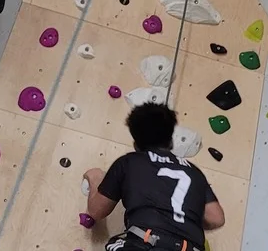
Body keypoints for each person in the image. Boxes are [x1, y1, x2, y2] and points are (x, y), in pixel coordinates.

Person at [83, 102, 225, 251]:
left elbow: (97, 211)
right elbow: (216, 218)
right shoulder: (194, 173)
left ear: (136, 144)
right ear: (170, 141)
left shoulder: (129, 162)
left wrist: (95, 178)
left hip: (146, 243)